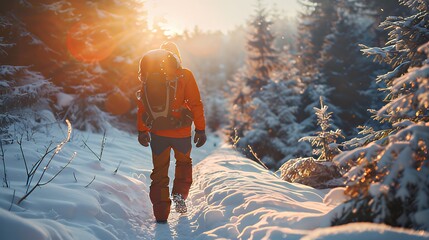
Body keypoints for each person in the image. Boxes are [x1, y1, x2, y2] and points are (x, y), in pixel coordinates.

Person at [136, 42, 206, 223]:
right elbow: (196, 103)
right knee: (183, 163)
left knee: (159, 172)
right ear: (176, 57)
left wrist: (142, 131)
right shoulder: (184, 75)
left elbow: (142, 106)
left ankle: (160, 214)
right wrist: (200, 129)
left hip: (158, 133)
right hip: (181, 133)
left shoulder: (149, 75)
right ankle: (179, 194)